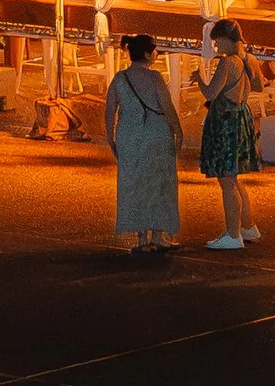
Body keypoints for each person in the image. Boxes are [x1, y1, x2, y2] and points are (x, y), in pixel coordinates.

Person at [103, 35, 182, 256]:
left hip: (129, 134)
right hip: (156, 132)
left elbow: (110, 110)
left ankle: (141, 239)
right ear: (147, 54)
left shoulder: (120, 78)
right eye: (155, 50)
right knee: (159, 183)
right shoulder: (155, 78)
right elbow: (166, 106)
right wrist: (178, 130)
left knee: (134, 184)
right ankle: (158, 235)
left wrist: (110, 136)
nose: (157, 54)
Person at [193, 19, 262, 249]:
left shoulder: (228, 63)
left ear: (226, 39)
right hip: (242, 117)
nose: (215, 46)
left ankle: (233, 235)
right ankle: (247, 226)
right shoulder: (249, 59)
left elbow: (212, 93)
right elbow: (260, 85)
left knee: (226, 179)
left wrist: (199, 80)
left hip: (224, 122)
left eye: (217, 41)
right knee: (235, 176)